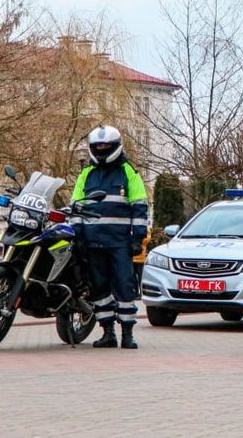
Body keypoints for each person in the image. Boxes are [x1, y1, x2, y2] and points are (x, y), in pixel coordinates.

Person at [72, 125, 148, 349]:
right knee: (99, 288)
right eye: (98, 146)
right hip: (92, 241)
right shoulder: (86, 174)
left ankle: (127, 333)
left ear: (116, 146)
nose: (102, 149)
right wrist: (77, 235)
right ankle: (108, 333)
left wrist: (138, 238)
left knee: (125, 287)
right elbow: (76, 206)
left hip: (119, 242)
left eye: (106, 146)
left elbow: (140, 207)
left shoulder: (128, 172)